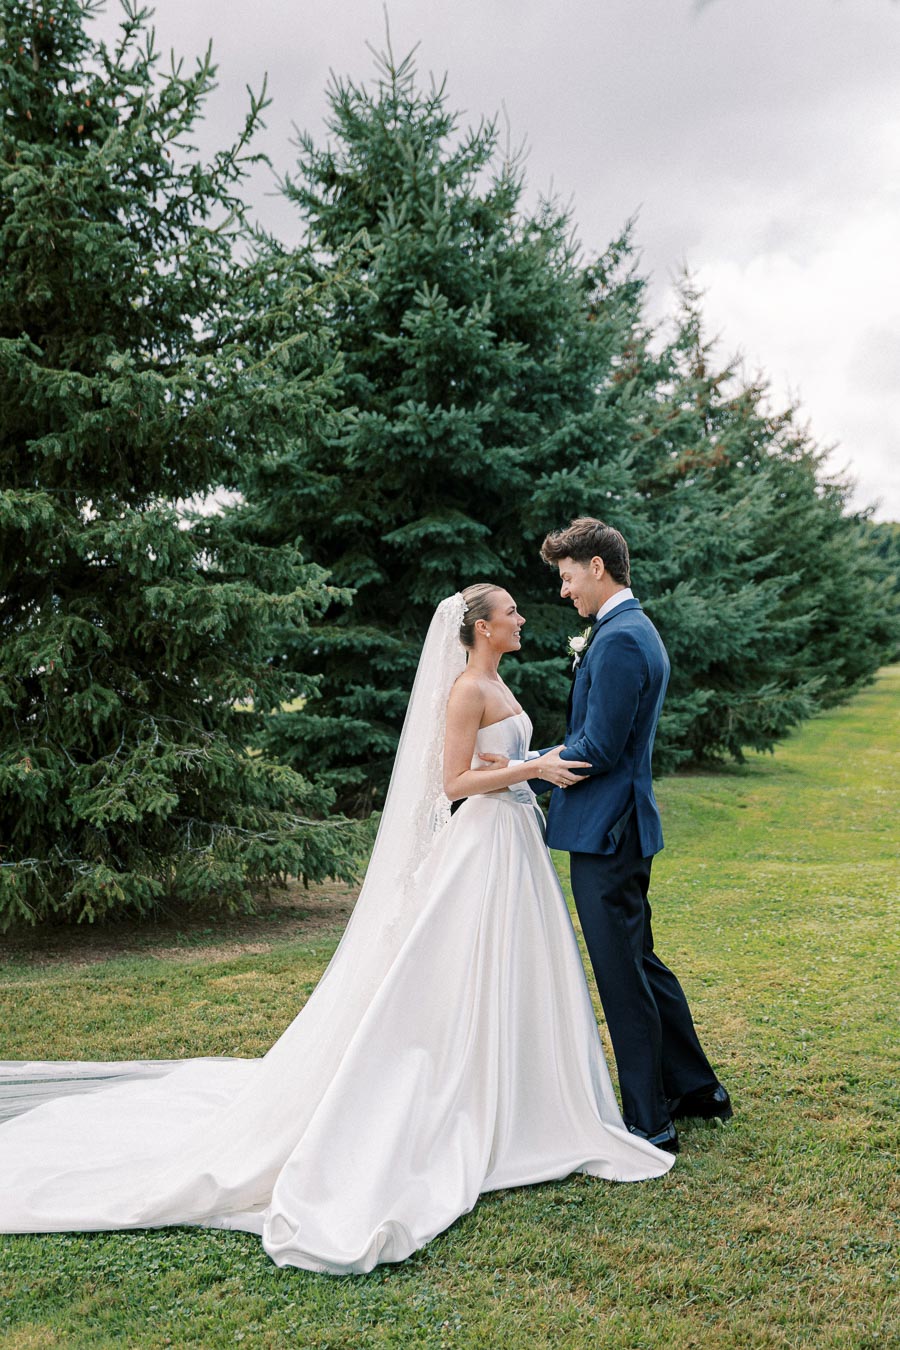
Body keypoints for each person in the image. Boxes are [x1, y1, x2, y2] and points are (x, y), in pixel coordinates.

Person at [0, 585, 673, 1276]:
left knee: (517, 971)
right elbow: (450, 785)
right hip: (481, 848)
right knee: (460, 970)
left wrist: (513, 767)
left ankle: (525, 1091)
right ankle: (472, 1095)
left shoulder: (494, 679)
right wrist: (529, 768)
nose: (523, 616)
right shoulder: (466, 688)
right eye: (509, 612)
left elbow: (485, 765)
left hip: (514, 845)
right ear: (479, 628)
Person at [532, 518, 732, 1151]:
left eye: (567, 578)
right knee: (641, 961)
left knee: (622, 975)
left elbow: (598, 747)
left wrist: (521, 772)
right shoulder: (628, 629)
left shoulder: (618, 639)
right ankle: (699, 1089)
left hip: (608, 832)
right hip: (621, 826)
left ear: (597, 566)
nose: (565, 592)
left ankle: (651, 1120)